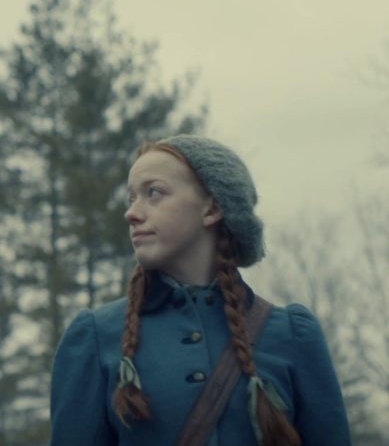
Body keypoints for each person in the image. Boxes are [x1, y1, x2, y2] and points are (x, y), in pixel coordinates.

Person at [50, 135, 350, 445]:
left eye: (154, 193)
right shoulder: (95, 337)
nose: (131, 213)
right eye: (131, 198)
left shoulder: (294, 335)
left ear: (212, 208)